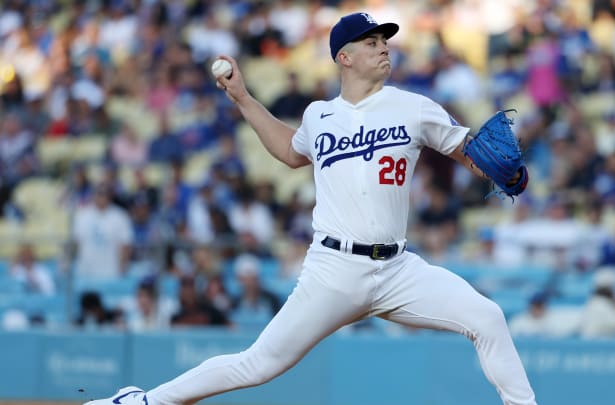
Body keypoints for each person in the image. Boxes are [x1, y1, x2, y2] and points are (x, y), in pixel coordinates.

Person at [86, 12, 536, 405]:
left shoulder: (413, 107)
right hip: (333, 269)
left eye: (385, 42)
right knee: (257, 365)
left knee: (487, 318)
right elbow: (288, 150)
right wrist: (243, 98)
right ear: (345, 57)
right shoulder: (320, 115)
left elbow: (466, 150)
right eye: (372, 42)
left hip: (398, 269)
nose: (384, 49)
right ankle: (144, 401)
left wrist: (501, 173)